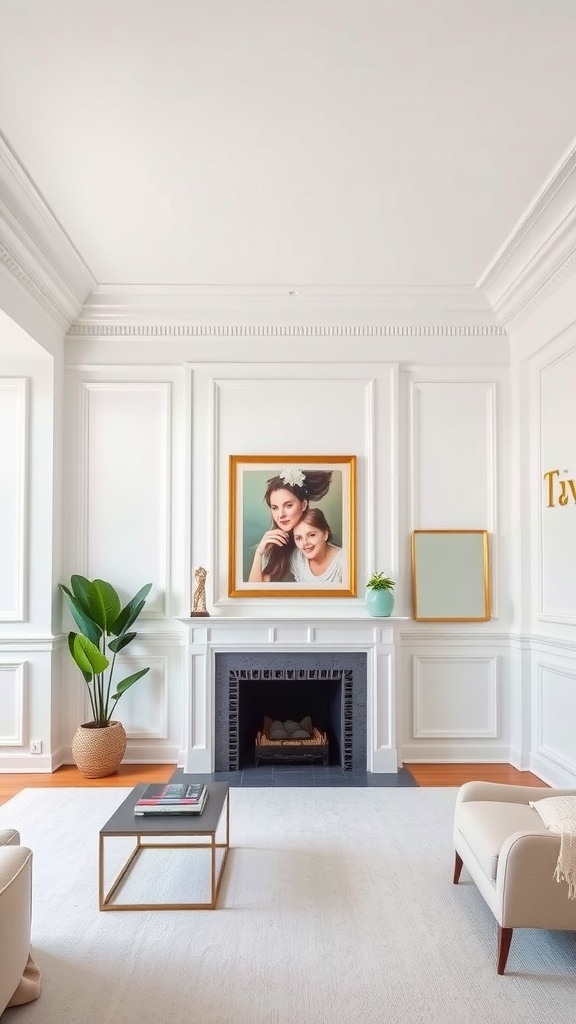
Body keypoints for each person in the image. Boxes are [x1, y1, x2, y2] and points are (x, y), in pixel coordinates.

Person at [248, 467, 333, 582]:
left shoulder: (316, 542)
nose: (280, 514)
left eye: (288, 505)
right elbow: (254, 594)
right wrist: (259, 554)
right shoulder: (273, 548)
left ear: (303, 505)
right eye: (275, 508)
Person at [290, 507, 343, 583]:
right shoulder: (297, 558)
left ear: (325, 534)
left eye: (311, 535)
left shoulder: (344, 561)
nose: (305, 543)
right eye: (299, 538)